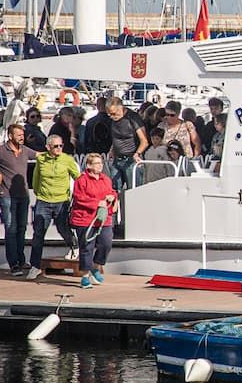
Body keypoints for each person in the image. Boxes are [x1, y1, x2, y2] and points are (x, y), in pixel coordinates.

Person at [0, 122, 37, 275]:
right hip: (7, 194)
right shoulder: (1, 151)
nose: (22, 137)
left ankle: (21, 260)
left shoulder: (24, 150)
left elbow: (39, 155)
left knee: (22, 228)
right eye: (19, 135)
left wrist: (55, 151)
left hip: (23, 194)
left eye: (22, 135)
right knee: (11, 228)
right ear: (10, 136)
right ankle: (14, 264)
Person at [26, 134, 80, 277]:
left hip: (61, 201)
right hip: (43, 200)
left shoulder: (67, 160)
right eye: (55, 146)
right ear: (48, 147)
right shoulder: (41, 159)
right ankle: (35, 266)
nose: (59, 148)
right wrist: (39, 194)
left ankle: (74, 246)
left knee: (64, 229)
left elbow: (78, 178)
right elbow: (36, 178)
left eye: (61, 145)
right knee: (38, 234)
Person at [69, 153, 118, 288]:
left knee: (106, 243)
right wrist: (97, 203)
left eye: (101, 163)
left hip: (103, 218)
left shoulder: (106, 179)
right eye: (97, 163)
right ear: (89, 166)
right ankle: (85, 276)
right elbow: (79, 198)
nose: (100, 165)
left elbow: (112, 192)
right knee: (87, 247)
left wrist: (113, 197)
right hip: (85, 219)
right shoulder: (82, 180)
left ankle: (95, 267)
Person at [103, 97, 149, 192]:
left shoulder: (133, 118)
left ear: (121, 108)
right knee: (114, 190)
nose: (111, 116)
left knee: (134, 191)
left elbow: (144, 141)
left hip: (131, 159)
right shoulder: (113, 120)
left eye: (113, 113)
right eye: (109, 114)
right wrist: (112, 149)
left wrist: (137, 153)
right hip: (117, 159)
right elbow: (117, 137)